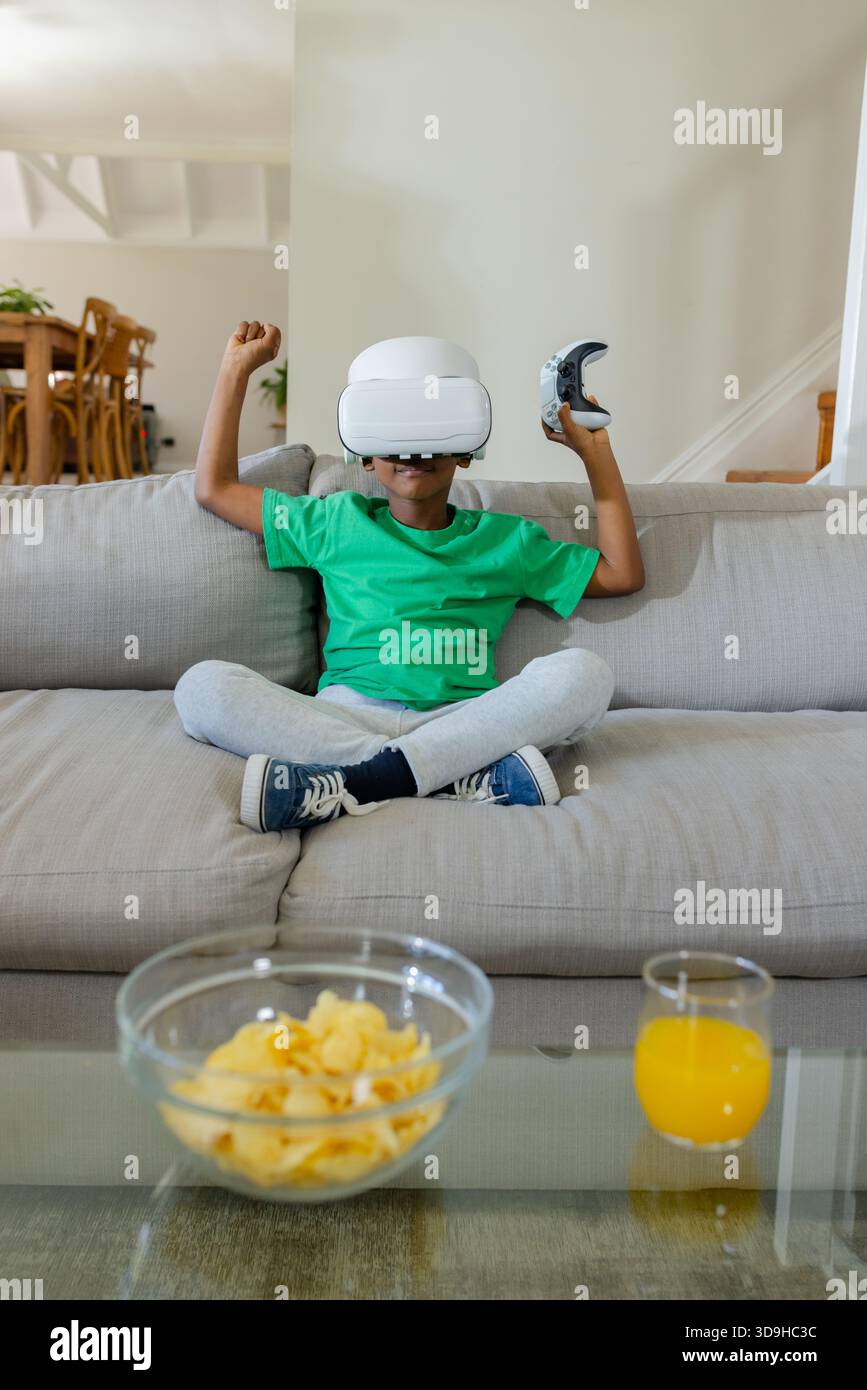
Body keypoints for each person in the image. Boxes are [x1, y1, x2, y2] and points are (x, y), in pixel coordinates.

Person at [174, 321, 645, 832]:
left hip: (461, 722)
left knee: (585, 673)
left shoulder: (508, 542)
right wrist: (234, 372)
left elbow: (621, 574)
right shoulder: (334, 521)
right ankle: (450, 780)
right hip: (346, 718)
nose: (413, 453)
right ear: (365, 456)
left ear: (466, 449)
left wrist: (595, 454)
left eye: (432, 434)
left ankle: (356, 783)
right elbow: (214, 488)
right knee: (202, 687)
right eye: (395, 436)